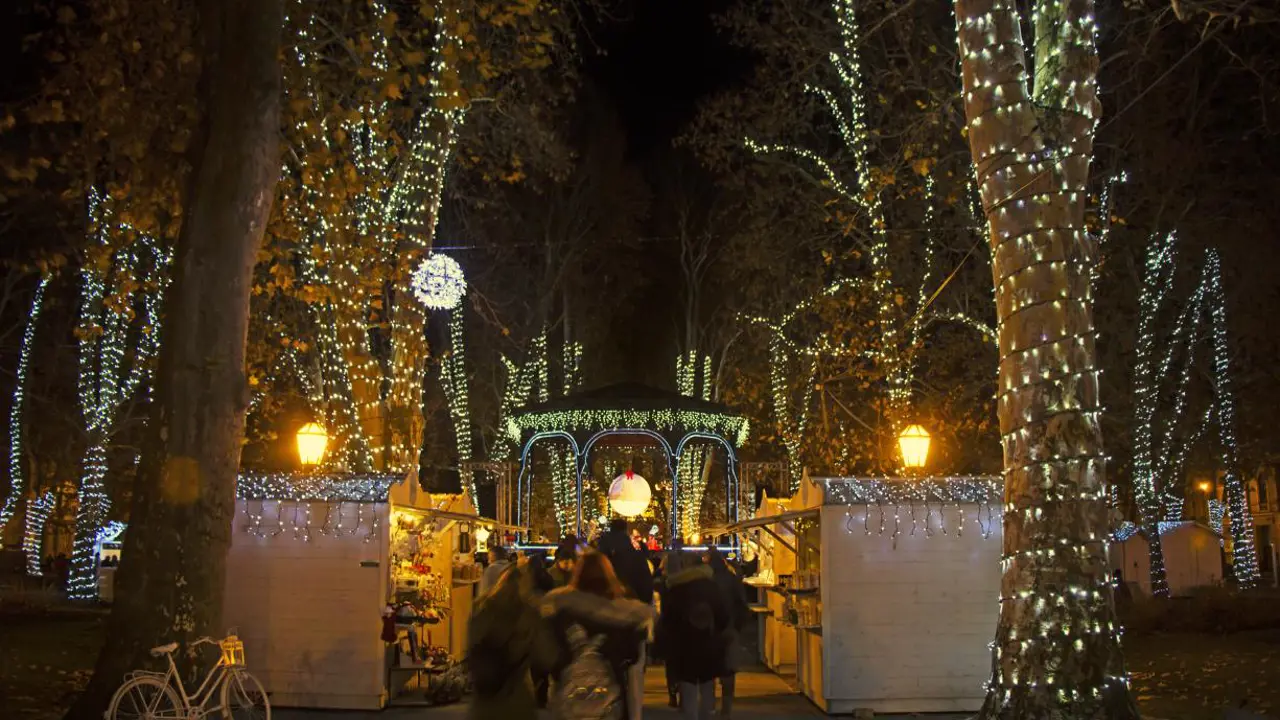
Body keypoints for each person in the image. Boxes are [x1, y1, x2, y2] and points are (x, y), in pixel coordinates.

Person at [542, 551, 652, 720]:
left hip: (570, 702)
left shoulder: (560, 611)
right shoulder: (626, 616)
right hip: (609, 703)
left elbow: (549, 659)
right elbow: (633, 665)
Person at [467, 561, 556, 720]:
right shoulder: (528, 614)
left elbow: (472, 647)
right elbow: (546, 656)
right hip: (516, 701)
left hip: (484, 701)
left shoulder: (481, 607)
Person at [658, 549, 729, 720]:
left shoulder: (676, 588)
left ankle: (691, 716)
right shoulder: (712, 586)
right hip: (708, 643)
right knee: (707, 685)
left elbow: (668, 620)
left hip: (684, 645)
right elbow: (723, 616)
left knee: (688, 687)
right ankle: (707, 715)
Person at [598, 520, 654, 719]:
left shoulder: (600, 556)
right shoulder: (636, 557)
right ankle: (634, 713)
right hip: (632, 619)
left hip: (604, 619)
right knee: (635, 671)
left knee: (606, 669)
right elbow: (647, 590)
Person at [705, 547, 749, 718]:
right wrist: (737, 626)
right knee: (728, 670)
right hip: (729, 629)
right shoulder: (731, 578)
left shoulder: (706, 580)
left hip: (710, 630)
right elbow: (741, 604)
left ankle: (709, 705)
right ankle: (726, 708)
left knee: (709, 669)